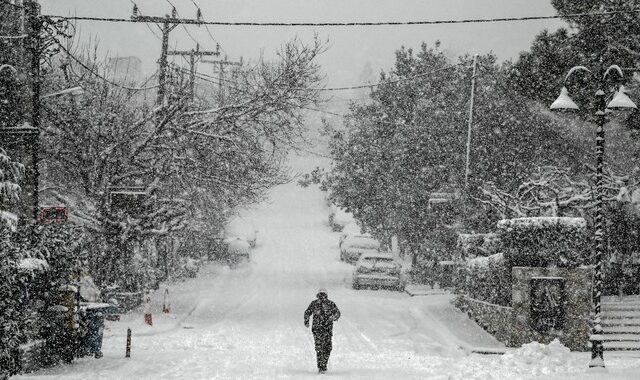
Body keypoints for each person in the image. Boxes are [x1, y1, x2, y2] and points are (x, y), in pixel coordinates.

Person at [304, 288, 341, 374]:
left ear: (326, 295)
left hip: (326, 330)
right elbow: (307, 312)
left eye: (323, 295)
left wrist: (334, 317)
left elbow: (338, 313)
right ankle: (321, 366)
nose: (322, 297)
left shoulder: (331, 304)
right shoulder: (314, 304)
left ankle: (323, 365)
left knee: (326, 348)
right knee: (320, 348)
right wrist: (306, 321)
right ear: (318, 295)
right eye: (320, 295)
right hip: (318, 330)